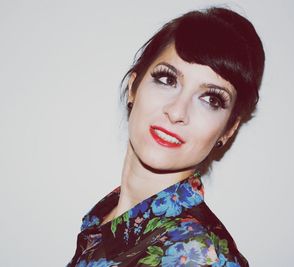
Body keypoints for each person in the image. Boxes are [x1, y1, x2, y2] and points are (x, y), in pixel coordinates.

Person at [67, 6, 265, 267]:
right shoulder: (104, 218)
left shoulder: (198, 254)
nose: (176, 111)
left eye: (211, 99)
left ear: (228, 130)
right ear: (133, 88)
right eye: (167, 79)